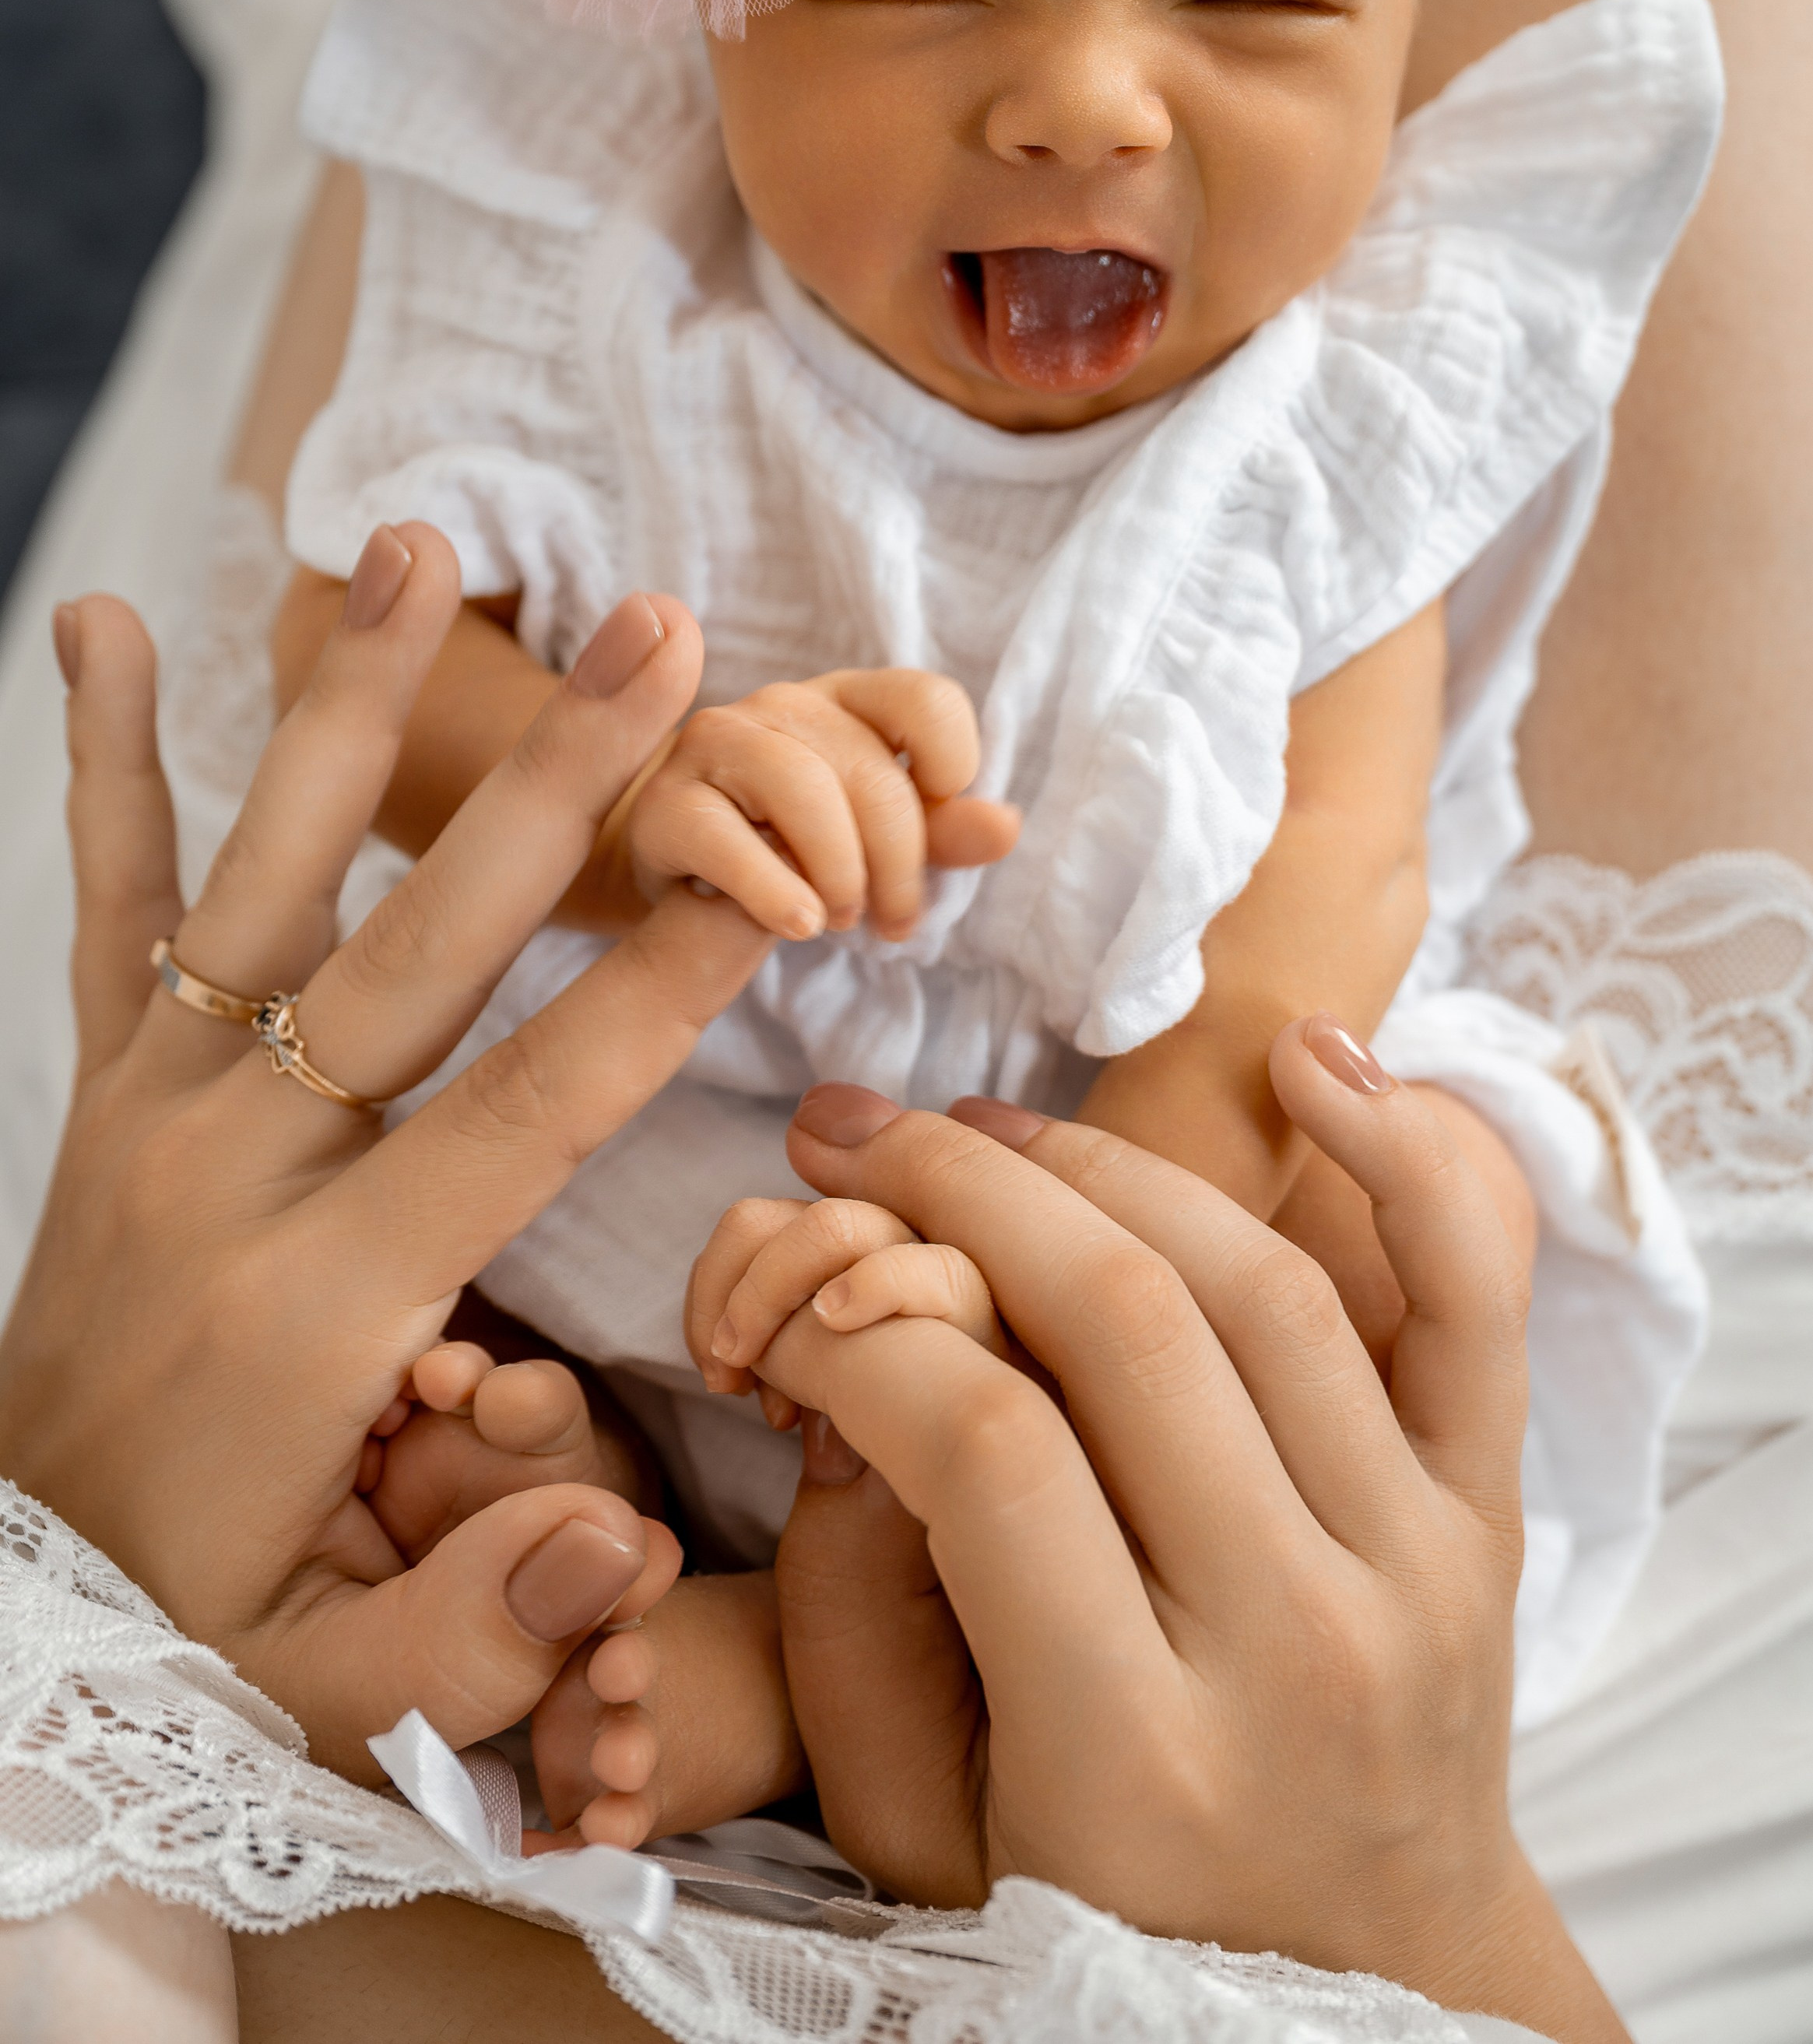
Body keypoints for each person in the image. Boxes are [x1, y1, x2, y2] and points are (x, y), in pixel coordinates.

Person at [255, 0, 1713, 1848]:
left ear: (1396, 21)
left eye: (1257, 6)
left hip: (1141, 1177)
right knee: (368, 1241)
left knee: (1420, 1211)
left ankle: (826, 1651)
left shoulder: (1313, 424)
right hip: (662, 1153)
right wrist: (642, 791)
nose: (1080, 99)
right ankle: (599, 1513)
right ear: (711, 7)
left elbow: (1323, 890)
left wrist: (1039, 1270)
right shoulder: (625, 326)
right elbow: (349, 681)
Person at [0, 562, 1621, 2044]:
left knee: (1359, 1203)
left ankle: (715, 1620)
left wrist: (80, 1599)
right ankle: (698, 1589)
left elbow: (1340, 865)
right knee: (1374, 1208)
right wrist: (1431, 1935)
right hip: (1184, 1689)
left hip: (1055, 1307)